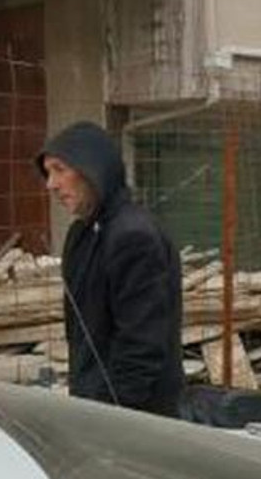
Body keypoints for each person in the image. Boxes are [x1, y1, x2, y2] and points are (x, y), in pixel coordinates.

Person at [35, 121, 184, 417]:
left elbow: (141, 345)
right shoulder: (82, 234)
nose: (50, 184)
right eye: (48, 172)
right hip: (95, 407)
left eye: (60, 169)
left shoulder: (134, 236)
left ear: (93, 170)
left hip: (134, 417)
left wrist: (109, 418)